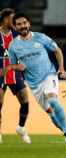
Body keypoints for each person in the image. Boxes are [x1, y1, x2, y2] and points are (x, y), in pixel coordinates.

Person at [5, 13, 66, 148]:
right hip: (34, 84)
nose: (23, 26)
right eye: (19, 24)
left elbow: (57, 50)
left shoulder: (40, 37)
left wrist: (61, 68)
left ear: (29, 24)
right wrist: (17, 67)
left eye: (24, 23)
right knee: (51, 115)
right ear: (15, 27)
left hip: (49, 75)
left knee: (52, 99)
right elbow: (13, 66)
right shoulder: (13, 46)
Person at [0, 8, 30, 143]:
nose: (14, 21)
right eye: (12, 18)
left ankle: (21, 128)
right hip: (0, 74)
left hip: (14, 73)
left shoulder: (17, 36)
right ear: (5, 19)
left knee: (25, 100)